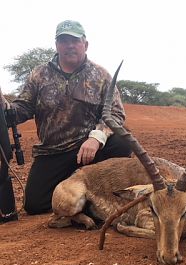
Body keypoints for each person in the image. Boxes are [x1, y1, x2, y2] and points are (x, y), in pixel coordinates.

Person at [0, 20, 132, 215]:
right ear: (57, 45)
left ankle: (105, 198)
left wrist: (96, 138)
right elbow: (22, 109)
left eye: (75, 40)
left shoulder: (101, 75)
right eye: (64, 40)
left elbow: (116, 114)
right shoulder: (39, 74)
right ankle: (82, 200)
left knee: (122, 142)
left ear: (85, 44)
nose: (70, 45)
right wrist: (3, 105)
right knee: (35, 205)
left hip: (88, 151)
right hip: (52, 151)